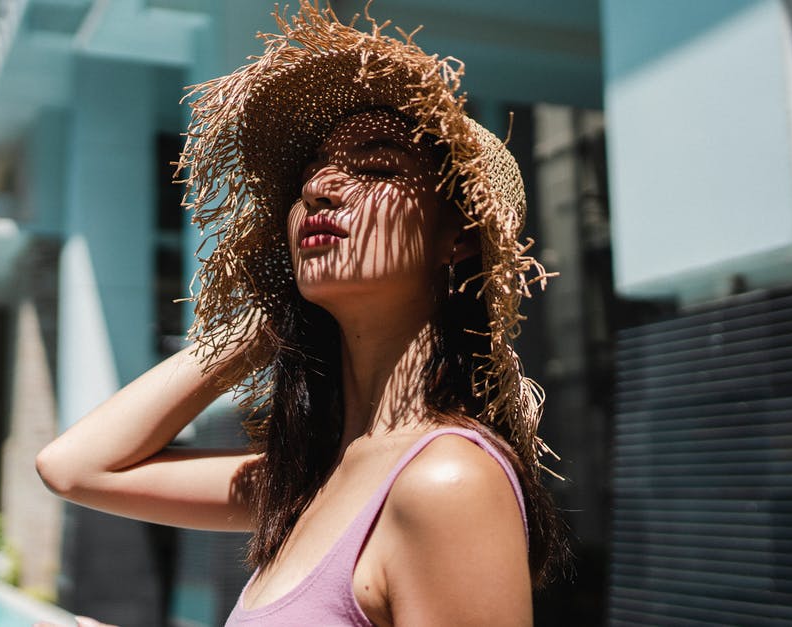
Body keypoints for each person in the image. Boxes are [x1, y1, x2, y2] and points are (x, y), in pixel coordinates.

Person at [36, 3, 565, 626]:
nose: (320, 187)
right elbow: (74, 468)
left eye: (376, 167)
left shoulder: (445, 480)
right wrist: (260, 327)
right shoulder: (306, 482)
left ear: (461, 238)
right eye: (310, 177)